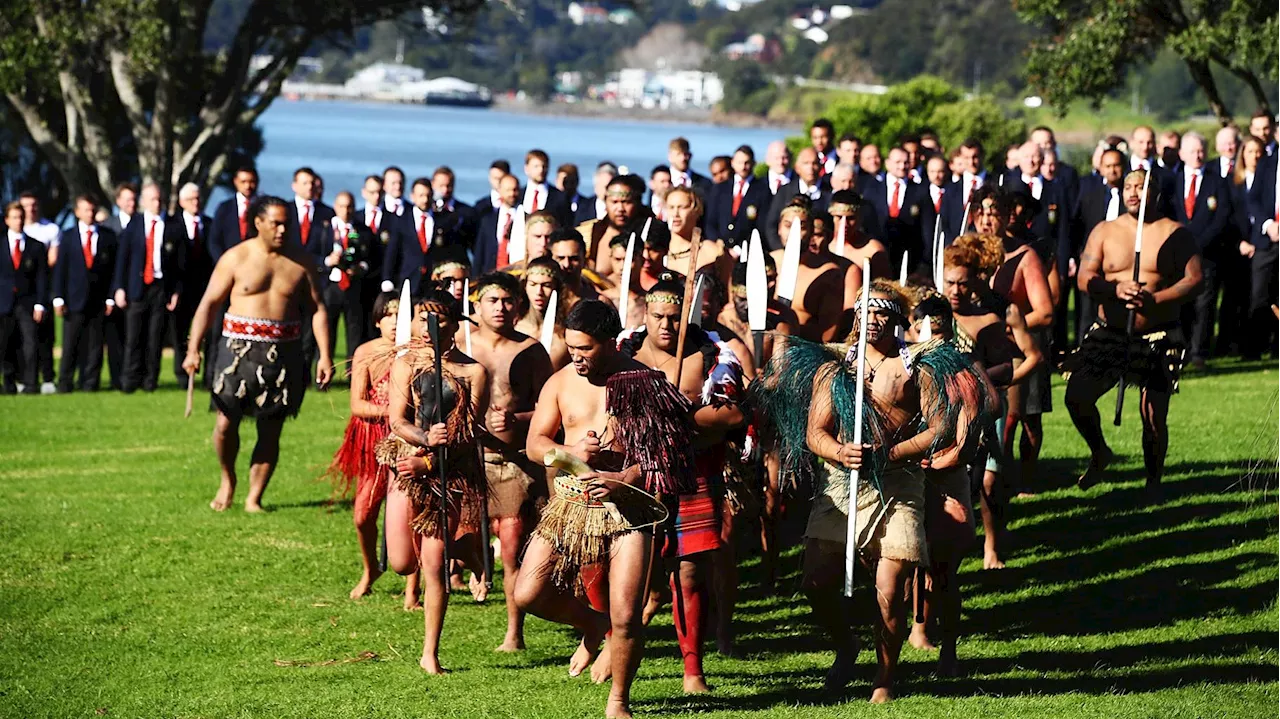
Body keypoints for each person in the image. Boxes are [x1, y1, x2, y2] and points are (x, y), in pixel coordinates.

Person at [758, 280, 942, 703]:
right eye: (866, 312)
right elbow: (815, 432)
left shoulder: (916, 365)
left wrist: (894, 451)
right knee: (816, 583)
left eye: (881, 313)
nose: (872, 321)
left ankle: (884, 677)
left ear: (897, 318)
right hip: (841, 483)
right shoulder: (836, 365)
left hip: (898, 482)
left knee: (890, 588)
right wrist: (840, 450)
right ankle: (846, 644)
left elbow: (937, 426)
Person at [515, 299, 693, 719]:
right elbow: (534, 444)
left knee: (628, 615)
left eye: (586, 349)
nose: (576, 357)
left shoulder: (646, 382)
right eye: (571, 347)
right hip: (572, 503)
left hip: (630, 509)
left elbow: (672, 455)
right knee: (527, 593)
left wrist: (626, 477)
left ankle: (619, 701)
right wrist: (568, 450)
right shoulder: (560, 382)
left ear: (610, 342)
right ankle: (594, 626)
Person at [616, 272, 746, 693]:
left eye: (675, 317)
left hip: (694, 475)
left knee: (689, 575)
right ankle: (605, 640)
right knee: (632, 573)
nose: (667, 326)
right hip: (636, 478)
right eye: (658, 317)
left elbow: (732, 417)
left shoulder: (710, 357)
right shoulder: (625, 356)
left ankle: (693, 669)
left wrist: (680, 419)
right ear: (646, 315)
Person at [182, 196, 334, 512]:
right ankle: (228, 480)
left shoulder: (301, 261)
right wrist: (193, 348)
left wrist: (326, 355)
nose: (282, 230)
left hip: (285, 351)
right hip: (237, 351)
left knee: (271, 427)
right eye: (276, 223)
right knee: (225, 423)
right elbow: (209, 303)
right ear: (258, 223)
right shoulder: (235, 258)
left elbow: (318, 309)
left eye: (286, 224)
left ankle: (254, 497)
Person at [1065, 168, 1203, 498]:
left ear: (1155, 193)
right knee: (1077, 398)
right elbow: (1085, 277)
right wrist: (1114, 289)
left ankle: (1153, 482)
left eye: (1141, 187)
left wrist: (1155, 298)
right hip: (1109, 332)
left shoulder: (1175, 232)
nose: (1133, 192)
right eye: (1128, 186)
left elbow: (1195, 280)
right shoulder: (1104, 230)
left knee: (1153, 416)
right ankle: (1100, 451)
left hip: (1157, 334)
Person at [380, 287, 490, 673]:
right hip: (406, 466)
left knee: (432, 561)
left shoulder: (474, 372)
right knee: (400, 562)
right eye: (421, 319)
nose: (427, 328)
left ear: (455, 325)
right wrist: (424, 443)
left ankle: (430, 653)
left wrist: (434, 461)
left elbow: (470, 432)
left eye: (438, 320)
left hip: (450, 474)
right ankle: (469, 550)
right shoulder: (406, 364)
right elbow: (397, 420)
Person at [467, 271, 555, 651]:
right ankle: (471, 569)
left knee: (511, 545)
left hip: (512, 464)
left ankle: (513, 631)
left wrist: (516, 420)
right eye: (493, 301)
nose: (501, 308)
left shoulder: (532, 350)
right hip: (466, 461)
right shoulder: (459, 346)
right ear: (476, 305)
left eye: (507, 301)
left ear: (518, 306)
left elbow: (550, 408)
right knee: (461, 540)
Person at [943, 234, 1041, 570]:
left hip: (986, 406)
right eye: (949, 283)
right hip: (944, 409)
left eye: (962, 283)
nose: (955, 290)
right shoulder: (934, 317)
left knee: (988, 479)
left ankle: (991, 546)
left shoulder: (998, 314)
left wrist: (995, 385)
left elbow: (1028, 357)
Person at [327, 293, 418, 606]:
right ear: (377, 321)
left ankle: (412, 587)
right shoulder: (365, 352)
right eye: (388, 316)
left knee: (410, 514)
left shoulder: (418, 353)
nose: (395, 323)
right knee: (363, 515)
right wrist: (393, 411)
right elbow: (357, 404)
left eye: (400, 316)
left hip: (409, 442)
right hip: (372, 441)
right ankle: (370, 570)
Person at [113, 182, 182, 393]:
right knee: (134, 337)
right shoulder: (134, 225)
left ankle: (150, 380)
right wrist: (119, 288)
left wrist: (176, 291)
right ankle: (129, 380)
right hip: (137, 287)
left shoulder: (173, 226)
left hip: (161, 288)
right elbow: (122, 259)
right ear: (143, 201)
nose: (157, 203)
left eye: (159, 199)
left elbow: (180, 264)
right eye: (152, 199)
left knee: (155, 338)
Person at [1170, 132, 1231, 370]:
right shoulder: (1171, 182)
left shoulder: (1218, 181)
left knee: (1205, 305)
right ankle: (1180, 350)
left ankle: (1199, 352)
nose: (1197, 155)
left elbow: (1221, 217)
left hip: (1207, 254)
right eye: (1192, 151)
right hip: (1177, 256)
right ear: (1182, 154)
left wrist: (1199, 243)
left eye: (1201, 150)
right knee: (1181, 303)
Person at [53, 195, 117, 393]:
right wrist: (58, 297)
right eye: (85, 210)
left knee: (95, 346)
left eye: (92, 210)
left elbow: (113, 271)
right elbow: (60, 269)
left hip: (98, 300)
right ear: (77, 212)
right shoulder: (68, 236)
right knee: (71, 343)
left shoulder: (107, 237)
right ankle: (65, 382)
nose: (90, 214)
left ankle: (90, 383)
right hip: (73, 300)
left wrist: (110, 297)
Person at [771, 196, 851, 342]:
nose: (793, 233)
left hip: (803, 350)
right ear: (779, 229)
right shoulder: (768, 263)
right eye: (788, 225)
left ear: (810, 231)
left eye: (802, 227)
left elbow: (828, 334)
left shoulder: (829, 274)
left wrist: (788, 332)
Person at [1072, 148, 1126, 343]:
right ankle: (1084, 352)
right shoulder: (1089, 193)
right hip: (1092, 263)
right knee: (1087, 313)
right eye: (1108, 166)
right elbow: (1077, 225)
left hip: (1121, 266)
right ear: (1101, 168)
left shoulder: (1132, 197)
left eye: (1116, 166)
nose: (1112, 170)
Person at [323, 191, 377, 367]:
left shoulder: (364, 230)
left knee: (355, 331)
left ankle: (352, 373)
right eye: (341, 206)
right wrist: (327, 261)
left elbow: (372, 259)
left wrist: (360, 268)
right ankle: (324, 370)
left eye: (349, 206)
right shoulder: (325, 229)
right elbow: (312, 254)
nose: (345, 211)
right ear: (335, 207)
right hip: (330, 286)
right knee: (327, 329)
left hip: (354, 287)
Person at [1, 202, 48, 394]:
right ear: (7, 220)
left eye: (21, 217)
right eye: (14, 217)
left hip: (27, 302)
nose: (18, 221)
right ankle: (9, 382)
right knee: (4, 343)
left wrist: (40, 304)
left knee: (30, 343)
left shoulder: (36, 247)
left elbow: (42, 278)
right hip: (3, 302)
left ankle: (30, 383)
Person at [170, 183, 213, 389]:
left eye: (197, 199)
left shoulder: (210, 224)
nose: (195, 203)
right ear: (181, 202)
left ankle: (208, 375)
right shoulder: (172, 225)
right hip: (181, 289)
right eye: (190, 199)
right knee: (180, 331)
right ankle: (181, 373)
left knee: (207, 331)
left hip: (205, 287)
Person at [1239, 137, 1278, 359]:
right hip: (1266, 240)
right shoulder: (1267, 163)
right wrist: (1267, 224)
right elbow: (1252, 200)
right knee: (1260, 295)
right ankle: (1254, 348)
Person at [383, 177, 452, 294]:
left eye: (428, 195)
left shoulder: (442, 220)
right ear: (412, 196)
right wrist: (387, 279)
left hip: (432, 284)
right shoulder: (402, 221)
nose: (425, 200)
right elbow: (392, 252)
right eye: (421, 196)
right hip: (407, 282)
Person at [19, 192, 59, 393]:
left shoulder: (50, 229)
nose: (30, 209)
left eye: (33, 205)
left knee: (44, 336)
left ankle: (48, 377)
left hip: (43, 289)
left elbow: (51, 260)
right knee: (19, 338)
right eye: (25, 206)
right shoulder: (12, 229)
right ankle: (22, 378)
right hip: (19, 293)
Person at [866, 147, 928, 275]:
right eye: (898, 162)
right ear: (887, 163)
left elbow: (927, 229)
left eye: (906, 162)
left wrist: (924, 263)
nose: (902, 166)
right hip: (878, 259)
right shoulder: (872, 190)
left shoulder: (920, 192)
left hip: (910, 262)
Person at [101, 183, 137, 389]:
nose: (130, 203)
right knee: (114, 338)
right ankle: (117, 379)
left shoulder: (144, 224)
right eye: (127, 199)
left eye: (133, 199)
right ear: (118, 202)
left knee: (135, 337)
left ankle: (133, 377)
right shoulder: (108, 227)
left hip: (137, 290)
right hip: (113, 289)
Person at [706, 145, 769, 254]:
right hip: (719, 250)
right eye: (739, 162)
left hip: (746, 252)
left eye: (747, 163)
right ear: (733, 163)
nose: (743, 167)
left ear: (753, 163)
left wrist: (739, 249)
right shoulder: (720, 188)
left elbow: (761, 226)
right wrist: (716, 242)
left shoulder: (762, 190)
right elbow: (710, 221)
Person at [766, 147, 829, 250]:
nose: (811, 168)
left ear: (821, 166)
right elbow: (771, 225)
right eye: (806, 163)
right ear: (797, 167)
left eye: (814, 163)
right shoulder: (784, 191)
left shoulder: (829, 192)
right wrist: (781, 251)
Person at [664, 186, 729, 284]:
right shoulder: (658, 252)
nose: (675, 214)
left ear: (696, 210)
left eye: (682, 207)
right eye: (671, 207)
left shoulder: (713, 251)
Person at [515, 256, 570, 369]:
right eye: (533, 284)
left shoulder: (566, 334)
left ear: (557, 288)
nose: (539, 292)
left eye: (546, 285)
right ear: (525, 286)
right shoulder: (513, 326)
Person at [588, 174, 647, 277]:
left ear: (637, 203)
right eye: (614, 202)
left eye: (626, 202)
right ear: (605, 202)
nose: (620, 208)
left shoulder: (650, 233)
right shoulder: (590, 234)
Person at [547, 227, 608, 311]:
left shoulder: (599, 303)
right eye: (560, 258)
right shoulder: (539, 300)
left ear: (584, 260)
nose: (567, 264)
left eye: (574, 259)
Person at [475, 173, 523, 275]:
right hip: (490, 275)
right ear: (499, 191)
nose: (512, 194)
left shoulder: (526, 218)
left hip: (515, 274)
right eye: (508, 190)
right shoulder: (488, 219)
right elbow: (480, 253)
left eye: (515, 189)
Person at [209, 167, 257, 264]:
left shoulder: (263, 207)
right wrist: (223, 263)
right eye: (243, 182)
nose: (248, 186)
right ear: (236, 182)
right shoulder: (224, 208)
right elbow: (214, 240)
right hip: (230, 263)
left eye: (251, 182)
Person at [522, 149, 572, 227]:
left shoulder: (560, 197)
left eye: (544, 166)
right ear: (526, 168)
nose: (541, 170)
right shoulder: (518, 195)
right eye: (536, 166)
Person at [432, 166, 477, 251]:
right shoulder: (427, 211)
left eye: (448, 186)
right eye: (441, 186)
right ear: (433, 184)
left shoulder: (466, 212)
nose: (445, 190)